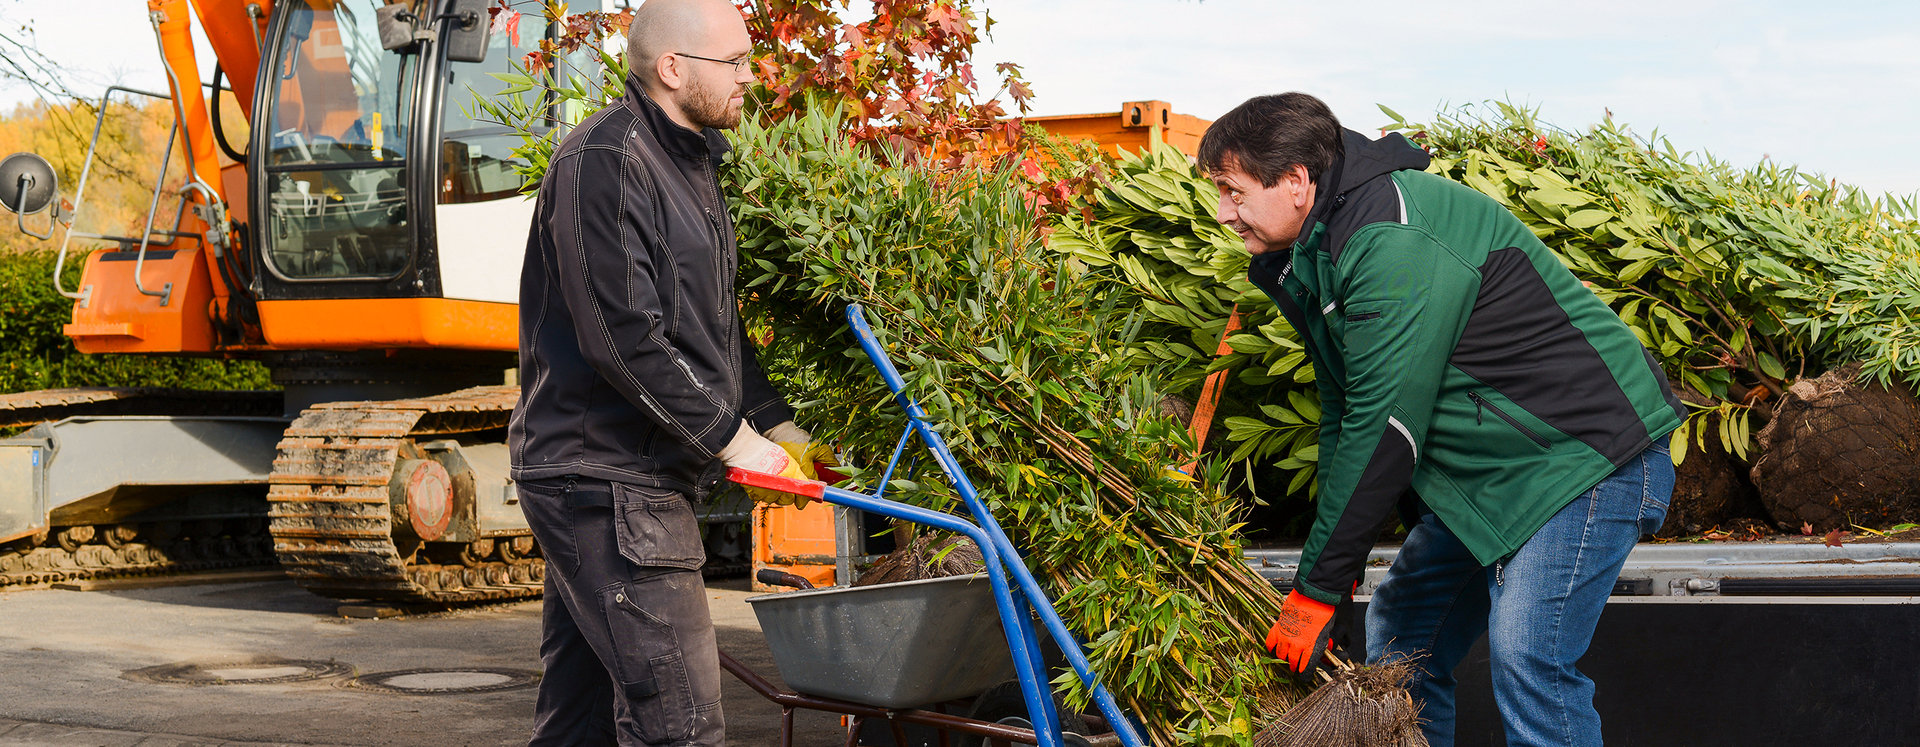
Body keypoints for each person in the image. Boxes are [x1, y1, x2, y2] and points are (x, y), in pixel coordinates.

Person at [1198, 93, 1682, 747]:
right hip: (1498, 475)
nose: (1224, 211)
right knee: (1404, 625)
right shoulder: (1316, 252)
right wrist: (1332, 576)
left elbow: (1386, 426)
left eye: (1232, 190)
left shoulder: (1390, 237)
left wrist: (1312, 592)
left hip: (1582, 457)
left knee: (1529, 655)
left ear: (1294, 182)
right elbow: (1346, 412)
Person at [508, 1, 827, 745]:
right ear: (672, 68)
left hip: (634, 479)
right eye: (736, 62)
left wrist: (774, 418)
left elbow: (711, 327)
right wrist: (736, 441)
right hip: (608, 480)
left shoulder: (689, 167)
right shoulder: (605, 162)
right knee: (680, 726)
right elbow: (623, 339)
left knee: (578, 726)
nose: (753, 76)